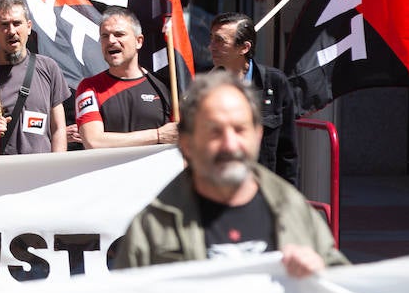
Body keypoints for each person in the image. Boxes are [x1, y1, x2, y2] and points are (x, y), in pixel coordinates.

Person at [113, 69, 346, 274]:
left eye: (239, 129)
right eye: (214, 132)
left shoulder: (293, 209)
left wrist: (321, 272)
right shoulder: (153, 227)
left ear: (257, 135)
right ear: (186, 142)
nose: (230, 144)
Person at [209, 12, 300, 187]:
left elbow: (287, 152)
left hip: (262, 191)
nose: (211, 46)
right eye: (211, 38)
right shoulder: (206, 86)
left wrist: (287, 199)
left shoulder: (275, 83)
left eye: (219, 41)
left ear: (244, 48)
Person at [74, 7, 178, 149]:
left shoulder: (165, 86)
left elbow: (181, 136)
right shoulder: (89, 88)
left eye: (119, 34)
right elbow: (94, 141)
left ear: (139, 41)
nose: (111, 41)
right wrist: (157, 135)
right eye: (104, 35)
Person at [0, 0, 69, 153]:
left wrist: (58, 167)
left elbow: (58, 128)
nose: (11, 31)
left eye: (17, 23)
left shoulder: (48, 68)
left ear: (28, 27)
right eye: (4, 25)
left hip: (41, 172)